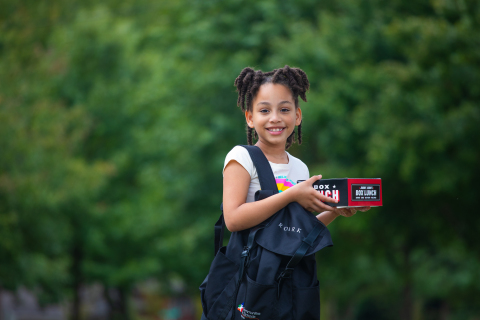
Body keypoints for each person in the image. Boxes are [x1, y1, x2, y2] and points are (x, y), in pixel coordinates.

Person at [223, 65, 370, 234]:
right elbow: (233, 220)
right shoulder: (241, 157)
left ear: (297, 116)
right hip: (253, 261)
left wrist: (334, 210)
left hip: (290, 262)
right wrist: (291, 195)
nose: (275, 118)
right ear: (250, 118)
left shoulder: (300, 167)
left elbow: (297, 231)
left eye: (284, 110)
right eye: (264, 111)